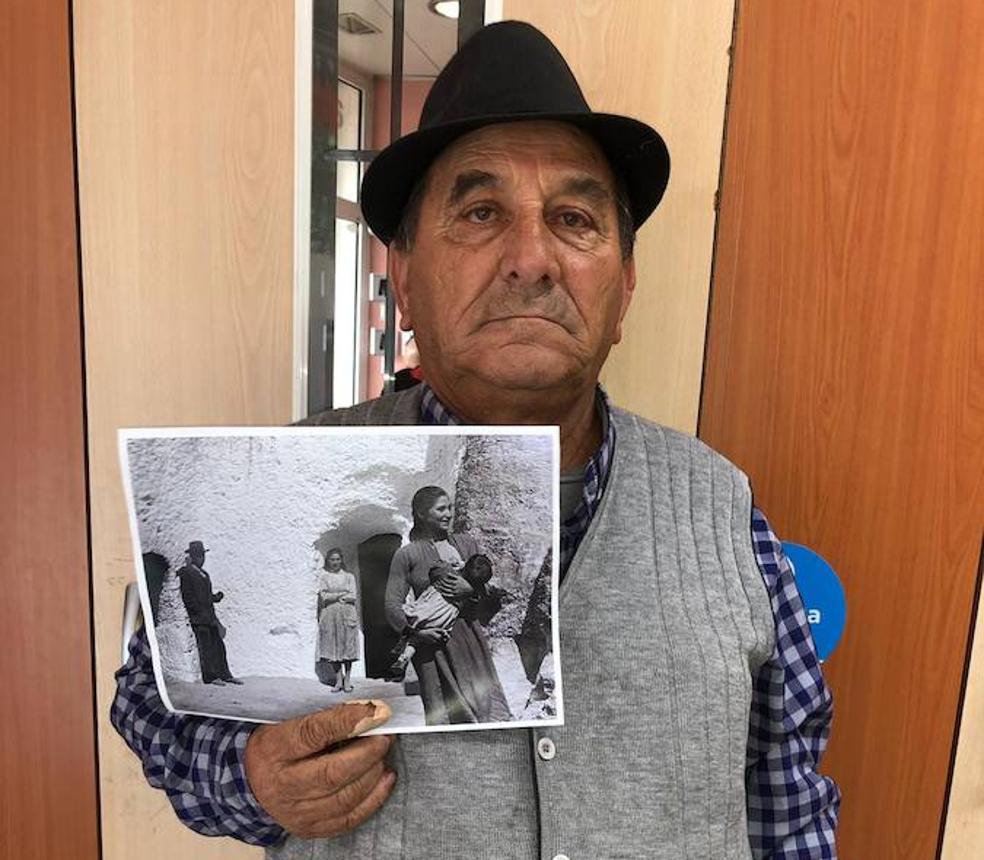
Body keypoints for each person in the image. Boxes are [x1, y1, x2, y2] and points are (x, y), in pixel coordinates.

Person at [111, 21, 840, 858]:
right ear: (406, 281)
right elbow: (149, 698)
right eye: (482, 211)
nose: (532, 259)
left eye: (573, 218)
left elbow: (790, 795)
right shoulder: (290, 477)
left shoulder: (724, 509)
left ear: (625, 289)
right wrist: (249, 775)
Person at [384, 486, 508, 723]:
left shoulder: (467, 544)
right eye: (441, 508)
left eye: (450, 507)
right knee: (443, 716)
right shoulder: (407, 555)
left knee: (488, 712)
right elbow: (392, 605)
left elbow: (491, 590)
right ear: (421, 513)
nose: (448, 513)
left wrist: (471, 590)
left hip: (470, 641)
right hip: (431, 648)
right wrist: (417, 632)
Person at [386, 551, 495, 682]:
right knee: (418, 640)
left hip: (430, 606)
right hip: (445, 616)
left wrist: (453, 565)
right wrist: (472, 591)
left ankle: (401, 649)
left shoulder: (448, 574)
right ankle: (404, 656)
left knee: (413, 621)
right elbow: (480, 597)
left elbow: (435, 569)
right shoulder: (469, 593)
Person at [176, 540, 242, 686]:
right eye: (198, 556)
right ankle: (210, 677)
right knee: (205, 648)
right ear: (192, 556)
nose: (201, 559)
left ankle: (225, 674)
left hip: (210, 617)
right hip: (199, 619)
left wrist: (215, 597)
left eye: (202, 556)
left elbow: (206, 596)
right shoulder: (187, 572)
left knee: (218, 647)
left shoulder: (204, 574)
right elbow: (188, 597)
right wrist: (198, 611)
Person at [315, 548, 359, 693]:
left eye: (337, 559)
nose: (335, 562)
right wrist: (341, 594)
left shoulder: (349, 577)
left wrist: (335, 595)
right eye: (332, 559)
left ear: (341, 560)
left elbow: (353, 595)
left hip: (347, 614)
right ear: (328, 560)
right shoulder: (325, 577)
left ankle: (347, 680)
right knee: (333, 648)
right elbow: (324, 596)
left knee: (347, 647)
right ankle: (338, 680)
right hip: (330, 615)